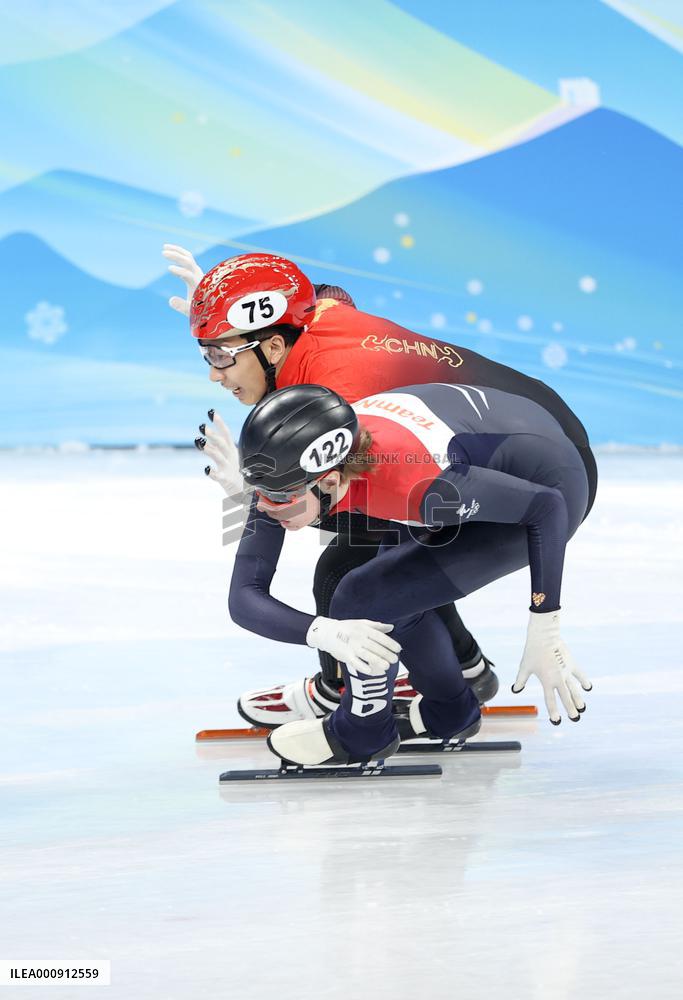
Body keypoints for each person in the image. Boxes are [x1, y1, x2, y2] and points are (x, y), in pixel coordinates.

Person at [164, 245, 597, 726]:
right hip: (504, 431)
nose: (213, 374)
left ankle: (345, 690)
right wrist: (221, 312)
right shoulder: (310, 321)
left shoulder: (339, 397)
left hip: (533, 466)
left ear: (272, 348)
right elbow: (330, 294)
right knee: (390, 553)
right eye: (207, 353)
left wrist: (254, 495)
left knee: (348, 565)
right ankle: (462, 668)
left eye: (219, 356)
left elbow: (313, 501)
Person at [233, 382, 594, 767]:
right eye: (256, 488)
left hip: (549, 491)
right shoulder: (286, 472)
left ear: (330, 481)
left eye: (279, 497)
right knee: (390, 587)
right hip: (471, 457)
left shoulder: (419, 488)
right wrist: (323, 632)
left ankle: (363, 733)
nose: (263, 505)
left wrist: (545, 625)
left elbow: (547, 508)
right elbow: (243, 596)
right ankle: (451, 712)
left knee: (360, 596)